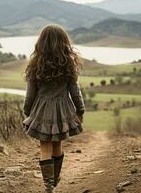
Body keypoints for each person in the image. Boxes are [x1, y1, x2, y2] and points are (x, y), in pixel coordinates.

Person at [23, 24, 85, 193]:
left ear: (41, 42)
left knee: (45, 147)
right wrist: (80, 110)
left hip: (41, 110)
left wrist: (27, 112)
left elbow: (30, 94)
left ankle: (49, 185)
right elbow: (75, 91)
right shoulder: (69, 63)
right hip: (63, 111)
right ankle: (55, 178)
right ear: (63, 42)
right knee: (57, 145)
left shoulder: (35, 63)